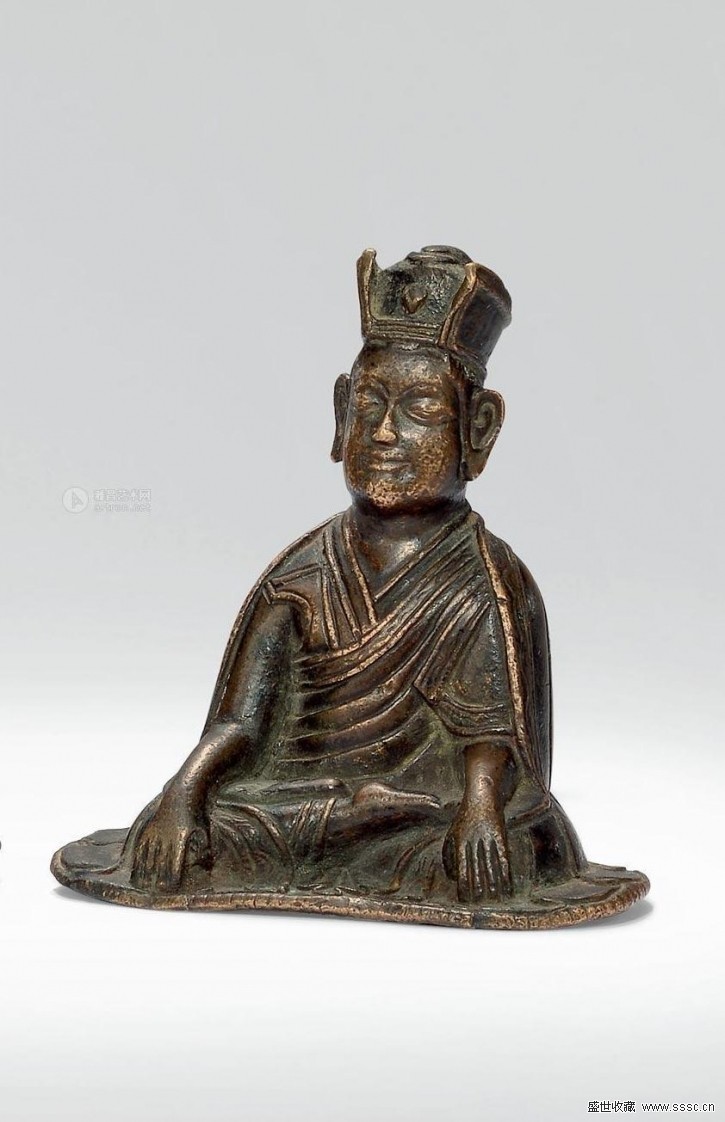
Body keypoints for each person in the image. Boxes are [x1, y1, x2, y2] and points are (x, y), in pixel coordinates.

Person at [52, 246, 648, 927]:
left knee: (513, 841)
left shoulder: (483, 578)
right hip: (299, 808)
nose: (386, 433)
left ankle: (421, 837)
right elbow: (239, 723)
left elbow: (493, 732)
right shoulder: (302, 572)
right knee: (208, 829)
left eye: (420, 408)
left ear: (476, 430)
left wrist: (480, 808)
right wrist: (184, 792)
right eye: (369, 405)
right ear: (341, 414)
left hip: (419, 815)